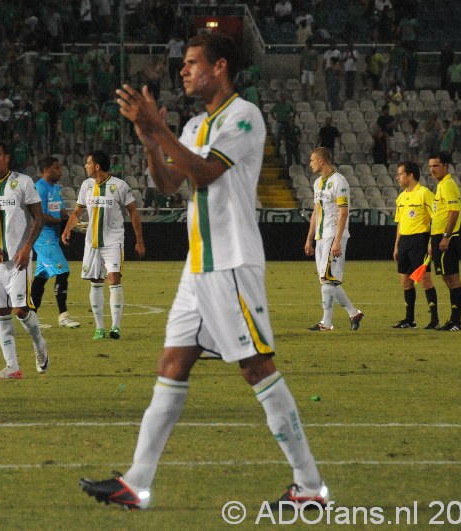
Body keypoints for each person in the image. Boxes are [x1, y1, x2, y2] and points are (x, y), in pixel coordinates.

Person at [78, 33, 327, 511]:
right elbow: (170, 181)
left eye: (193, 62)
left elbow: (206, 172)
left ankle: (309, 486)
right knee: (171, 365)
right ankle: (137, 481)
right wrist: (151, 139)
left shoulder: (243, 115)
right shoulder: (193, 124)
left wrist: (160, 129)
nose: (184, 70)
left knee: (257, 368)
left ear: (221, 67)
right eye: (184, 63)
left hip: (231, 262)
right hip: (199, 268)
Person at [0, 141, 50, 379]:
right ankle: (12, 367)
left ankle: (39, 344)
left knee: (20, 309)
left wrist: (27, 248)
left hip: (19, 259)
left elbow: (38, 218)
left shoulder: (23, 183)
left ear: (7, 157)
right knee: (1, 311)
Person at [62, 150, 145, 340]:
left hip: (113, 241)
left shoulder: (120, 186)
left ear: (97, 166)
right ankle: (99, 327)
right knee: (96, 282)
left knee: (114, 279)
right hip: (92, 242)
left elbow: (133, 212)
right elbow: (77, 212)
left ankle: (115, 327)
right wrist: (67, 230)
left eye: (88, 163)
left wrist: (139, 240)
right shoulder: (86, 186)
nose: (85, 166)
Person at [305, 147, 364, 331]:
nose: (310, 164)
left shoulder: (339, 181)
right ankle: (353, 313)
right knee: (327, 280)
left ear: (322, 161)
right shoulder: (317, 183)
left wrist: (338, 240)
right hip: (320, 236)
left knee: (328, 280)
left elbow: (343, 212)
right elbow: (316, 211)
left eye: (312, 160)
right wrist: (309, 238)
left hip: (333, 235)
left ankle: (326, 322)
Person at [30, 156, 80, 329]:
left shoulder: (56, 189)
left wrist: (73, 221)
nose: (60, 171)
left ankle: (32, 318)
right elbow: (39, 216)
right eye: (56, 169)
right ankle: (63, 316)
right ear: (46, 170)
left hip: (53, 237)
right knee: (63, 271)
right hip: (43, 237)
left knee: (41, 277)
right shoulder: (39, 189)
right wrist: (60, 222)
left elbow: (61, 211)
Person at [392, 161, 438, 329]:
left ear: (410, 175)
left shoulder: (424, 193)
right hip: (404, 241)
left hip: (420, 240)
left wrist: (432, 241)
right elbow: (399, 223)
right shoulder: (401, 197)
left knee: (425, 279)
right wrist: (397, 245)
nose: (398, 177)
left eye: (400, 174)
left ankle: (434, 319)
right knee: (405, 282)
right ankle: (409, 319)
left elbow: (436, 218)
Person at [428, 152, 461, 331]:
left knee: (452, 277)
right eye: (430, 166)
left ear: (445, 166)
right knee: (447, 276)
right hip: (438, 237)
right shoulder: (442, 185)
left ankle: (456, 322)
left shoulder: (448, 185)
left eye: (436, 166)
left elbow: (454, 211)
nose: (432, 170)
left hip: (445, 237)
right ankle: (454, 320)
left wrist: (446, 236)